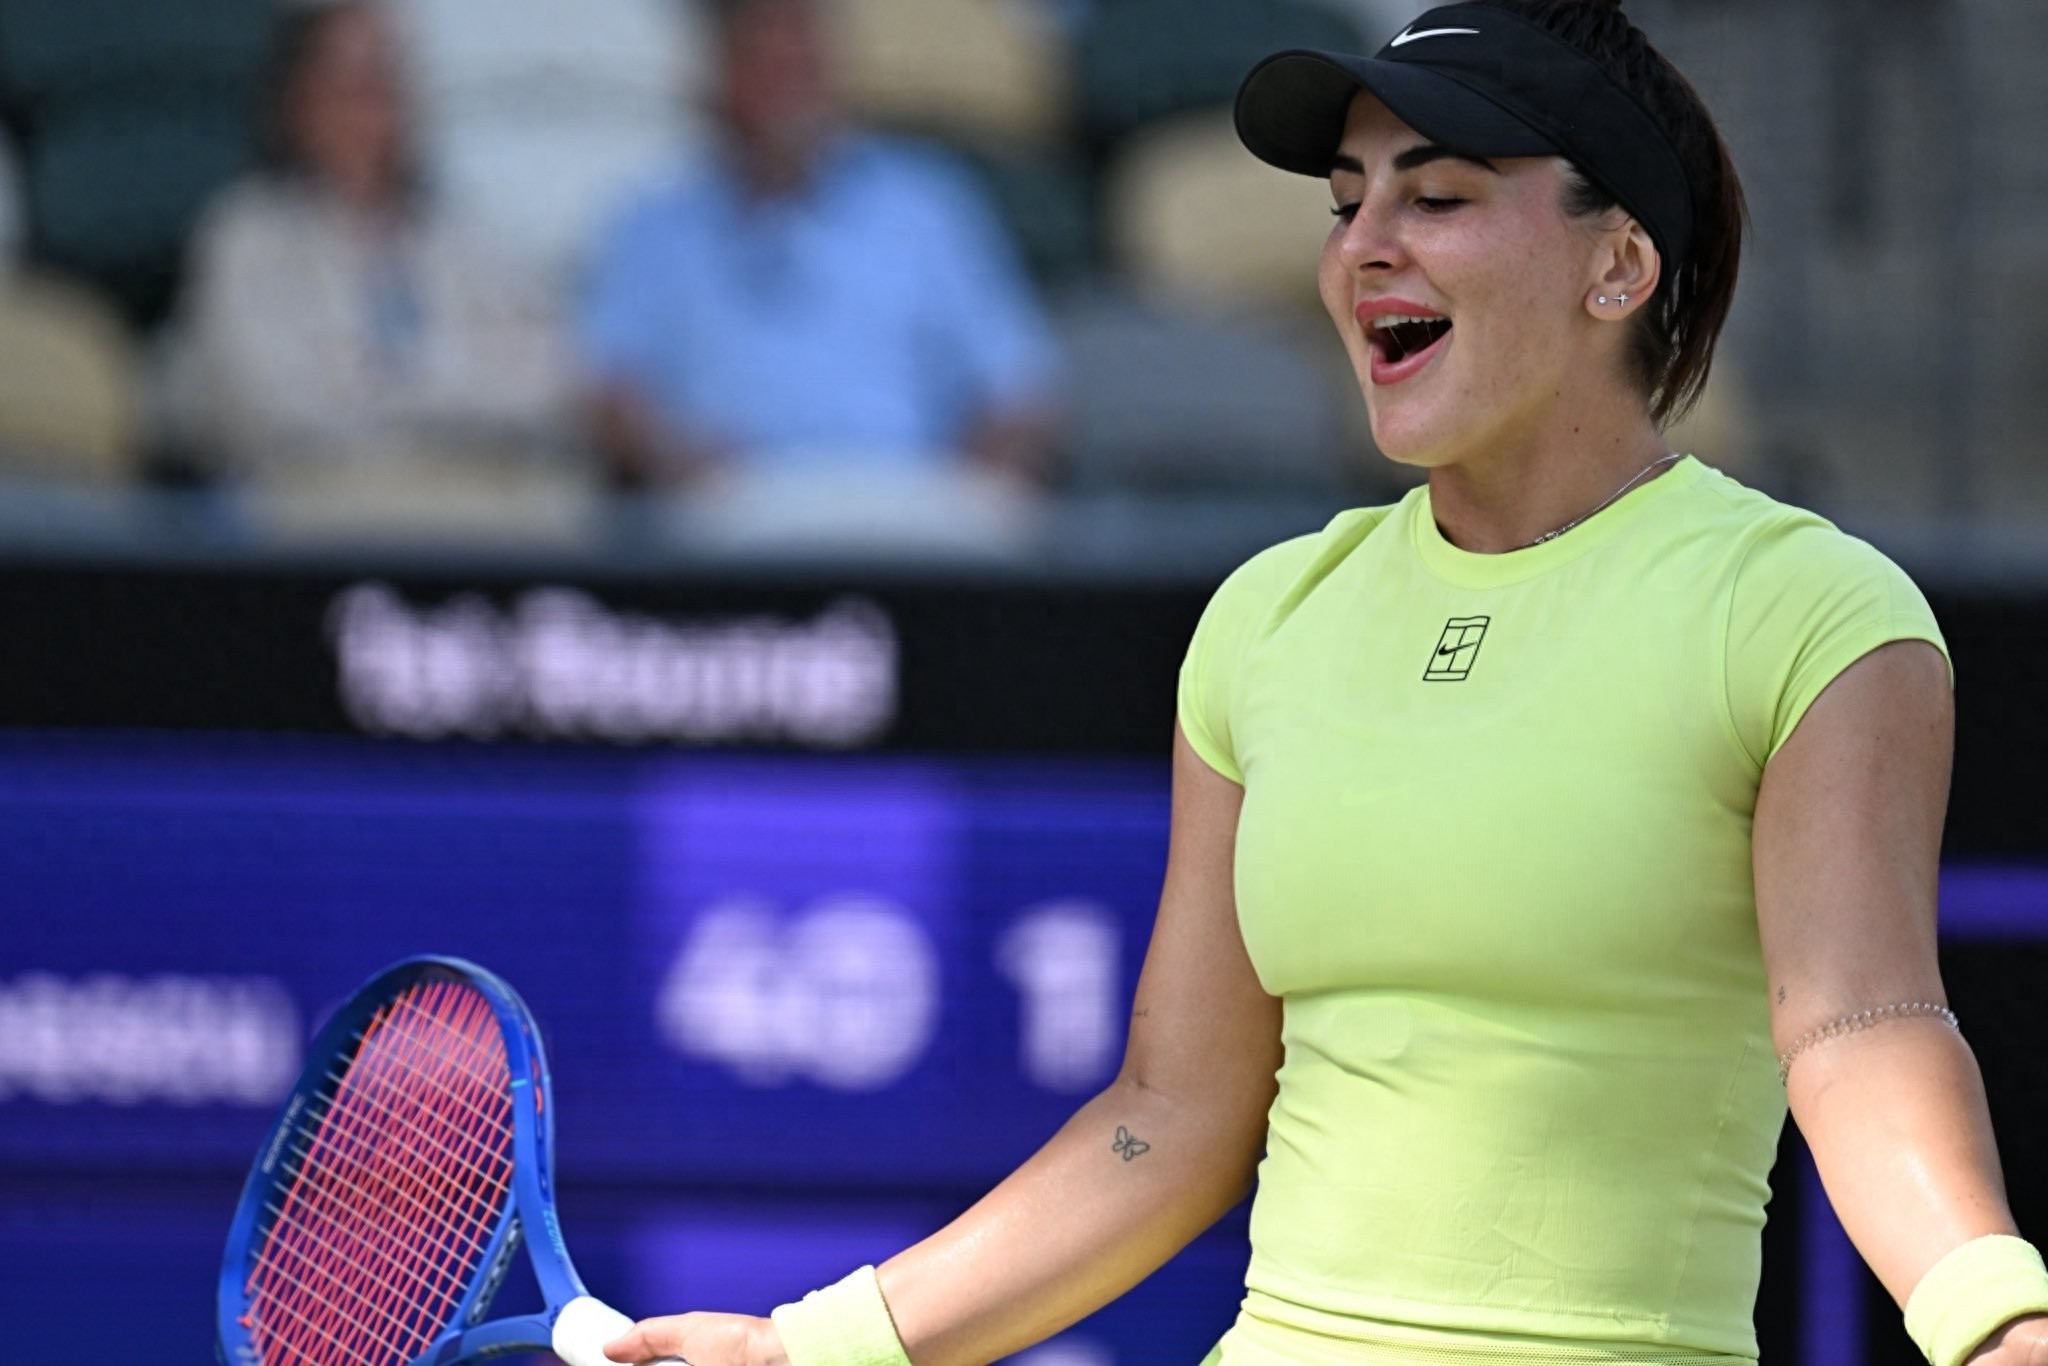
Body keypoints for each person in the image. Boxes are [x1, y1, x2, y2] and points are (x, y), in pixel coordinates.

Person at [602, 3, 2048, 1364]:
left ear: (1618, 265)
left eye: (1436, 197)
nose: (1365, 247)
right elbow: (1165, 1121)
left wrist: (1991, 1312)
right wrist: (808, 1341)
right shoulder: (1266, 620)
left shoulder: (1815, 614)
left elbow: (1860, 1028)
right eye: (1346, 202)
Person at [575, 0, 1061, 493]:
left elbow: (1018, 391)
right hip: (724, 518)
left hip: (905, 514)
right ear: (721, 77)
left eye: (805, 67)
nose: (791, 92)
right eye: (770, 68)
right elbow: (609, 389)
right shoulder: (656, 225)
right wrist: (670, 458)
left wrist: (977, 485)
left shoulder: (928, 207)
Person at [167, 0, 569, 481]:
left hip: (472, 512)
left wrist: (371, 383)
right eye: (358, 84)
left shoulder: (466, 235)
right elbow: (266, 412)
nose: (381, 106)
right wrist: (452, 394)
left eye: (393, 81)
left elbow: (549, 389)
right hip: (311, 515)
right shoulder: (245, 235)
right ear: (299, 100)